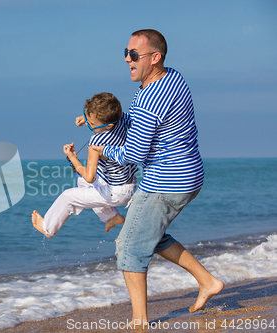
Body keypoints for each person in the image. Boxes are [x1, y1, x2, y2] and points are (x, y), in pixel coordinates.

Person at [90, 29, 224, 328]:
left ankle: (139, 322)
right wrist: (108, 121)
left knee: (129, 247)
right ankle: (208, 281)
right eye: (125, 52)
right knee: (149, 232)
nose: (127, 59)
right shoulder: (172, 78)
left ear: (155, 57)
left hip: (166, 182)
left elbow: (135, 152)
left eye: (134, 54)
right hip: (189, 175)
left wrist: (101, 148)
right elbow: (142, 121)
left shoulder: (150, 97)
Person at [32, 92, 137, 238]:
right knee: (81, 182)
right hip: (128, 182)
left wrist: (72, 157)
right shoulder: (122, 121)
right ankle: (112, 217)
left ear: (108, 125)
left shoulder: (96, 143)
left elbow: (90, 177)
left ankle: (48, 229)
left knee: (68, 195)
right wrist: (86, 117)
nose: (88, 124)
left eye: (91, 123)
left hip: (117, 192)